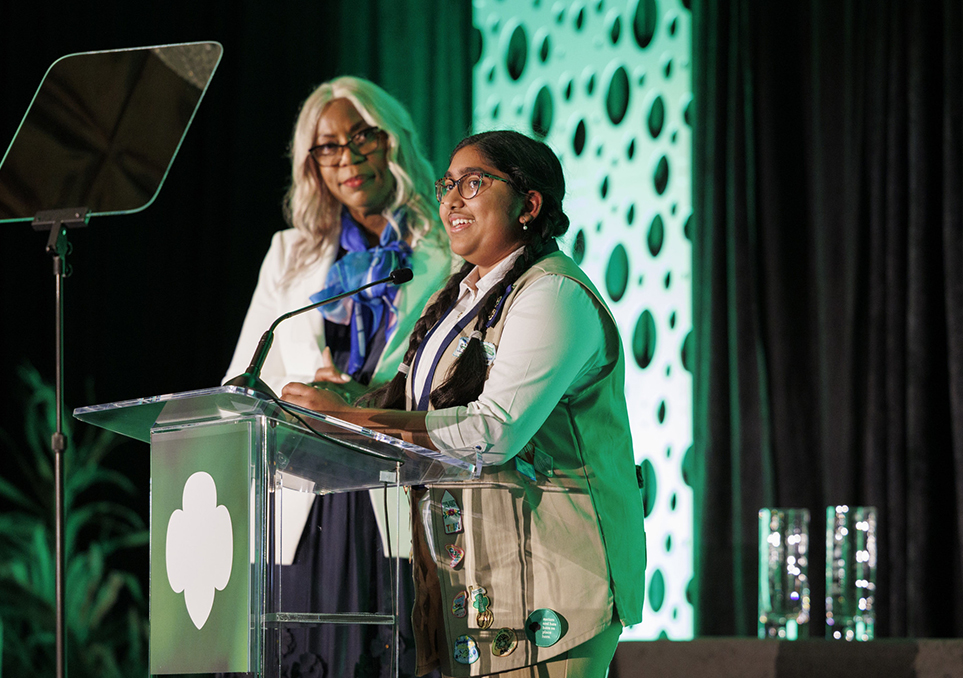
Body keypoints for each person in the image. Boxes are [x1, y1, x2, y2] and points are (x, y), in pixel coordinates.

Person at [280, 130, 647, 678]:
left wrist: (351, 417)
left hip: (556, 576)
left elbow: (492, 432)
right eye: (447, 184)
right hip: (477, 570)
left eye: (472, 183)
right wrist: (325, 409)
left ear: (529, 204)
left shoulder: (553, 293)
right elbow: (411, 407)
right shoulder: (456, 297)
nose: (451, 199)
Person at [224, 76, 452, 678]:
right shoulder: (288, 255)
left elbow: (461, 384)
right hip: (302, 504)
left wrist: (359, 400)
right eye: (327, 146)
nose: (347, 158)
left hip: (401, 499)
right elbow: (242, 384)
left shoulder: (448, 249)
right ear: (311, 162)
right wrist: (299, 402)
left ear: (393, 139)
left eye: (362, 137)